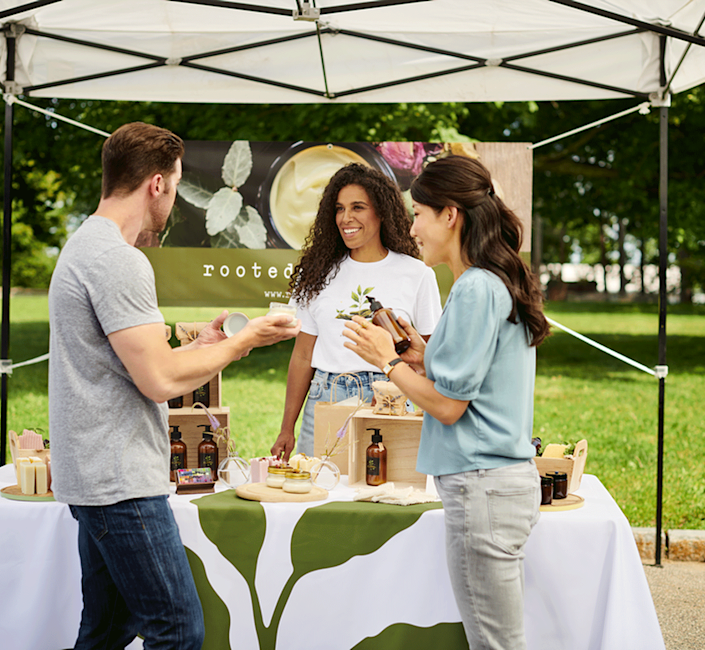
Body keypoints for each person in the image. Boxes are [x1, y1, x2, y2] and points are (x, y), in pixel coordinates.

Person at [48, 122, 300, 650]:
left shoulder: (86, 245)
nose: (174, 200)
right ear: (157, 184)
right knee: (178, 630)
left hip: (95, 472)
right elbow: (160, 381)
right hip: (120, 481)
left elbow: (138, 364)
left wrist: (202, 346)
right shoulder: (119, 260)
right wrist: (243, 341)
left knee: (107, 629)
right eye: (177, 185)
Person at [342, 155, 550, 650]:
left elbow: (449, 406)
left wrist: (386, 361)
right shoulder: (489, 280)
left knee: (494, 644)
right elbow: (474, 376)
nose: (412, 229)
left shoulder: (475, 287)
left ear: (450, 215)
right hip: (495, 486)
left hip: (482, 488)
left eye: (418, 214)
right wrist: (421, 354)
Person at [270, 163, 442, 460]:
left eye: (357, 207)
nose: (345, 218)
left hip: (390, 398)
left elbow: (429, 356)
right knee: (319, 485)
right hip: (325, 396)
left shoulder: (417, 274)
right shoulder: (315, 274)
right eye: (339, 209)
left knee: (388, 484)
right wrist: (287, 428)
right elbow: (302, 356)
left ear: (381, 212)